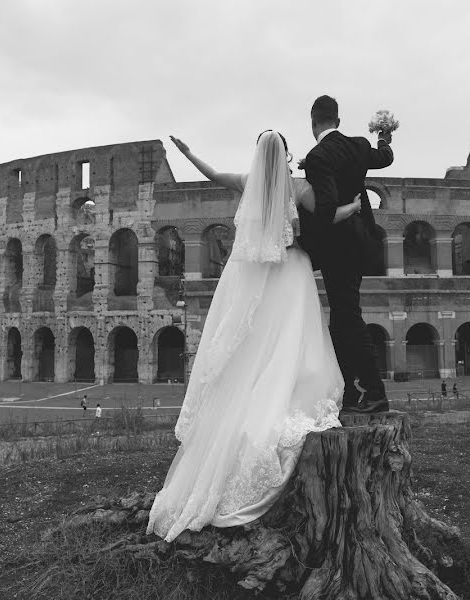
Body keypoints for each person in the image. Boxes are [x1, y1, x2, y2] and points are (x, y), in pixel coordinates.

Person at [147, 129, 355, 543]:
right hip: (292, 268)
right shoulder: (299, 186)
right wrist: (354, 207)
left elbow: (212, 175)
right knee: (295, 339)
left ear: (258, 156)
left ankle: (243, 408)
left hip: (252, 273)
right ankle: (284, 391)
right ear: (288, 154)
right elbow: (327, 215)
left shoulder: (249, 182)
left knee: (252, 340)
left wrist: (189, 152)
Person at [298, 95, 394, 413]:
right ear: (337, 121)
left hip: (336, 249)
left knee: (348, 317)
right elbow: (385, 158)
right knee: (341, 318)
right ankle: (350, 394)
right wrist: (384, 137)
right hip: (361, 243)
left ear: (313, 123)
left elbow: (325, 210)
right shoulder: (356, 145)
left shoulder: (317, 156)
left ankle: (375, 391)